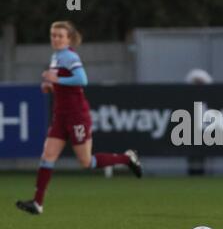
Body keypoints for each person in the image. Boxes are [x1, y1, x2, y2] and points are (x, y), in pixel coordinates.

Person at [16, 21, 142, 215]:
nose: (56, 39)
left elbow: (82, 79)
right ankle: (37, 203)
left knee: (86, 162)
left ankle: (127, 158)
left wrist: (57, 80)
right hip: (60, 116)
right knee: (47, 156)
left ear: (69, 38)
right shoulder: (56, 56)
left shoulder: (69, 56)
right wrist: (51, 86)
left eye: (60, 35)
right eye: (53, 35)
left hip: (77, 116)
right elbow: (65, 84)